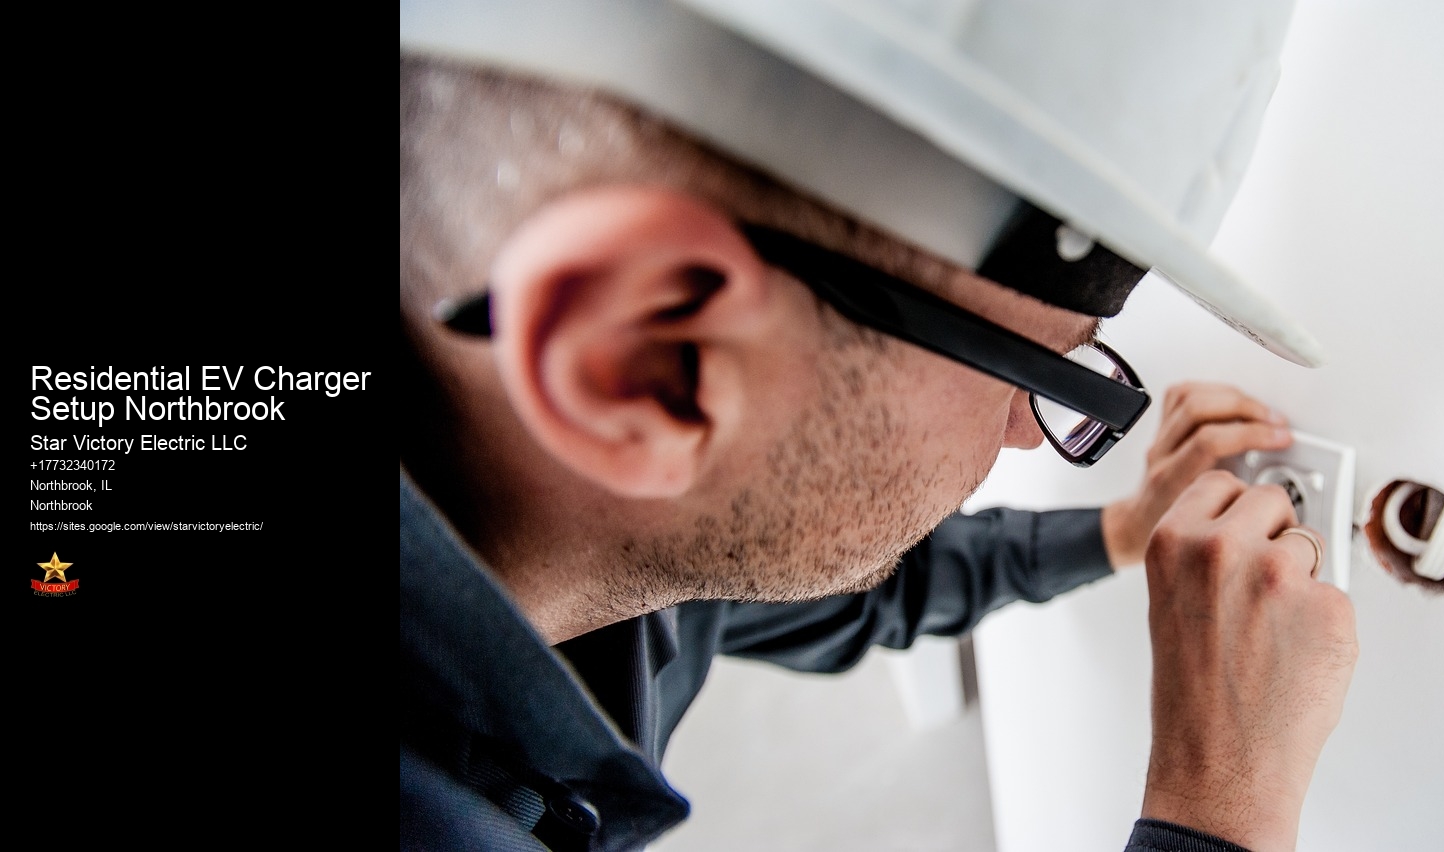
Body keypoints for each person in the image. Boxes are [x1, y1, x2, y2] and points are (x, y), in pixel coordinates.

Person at [400, 2, 1358, 851]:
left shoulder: (610, 526)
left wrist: (1121, 529)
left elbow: (858, 590)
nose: (1030, 435)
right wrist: (1215, 817)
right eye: (1038, 373)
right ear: (647, 363)